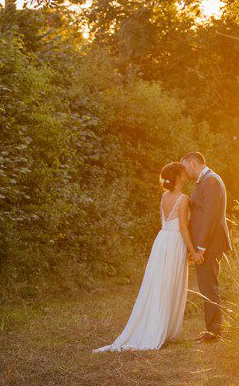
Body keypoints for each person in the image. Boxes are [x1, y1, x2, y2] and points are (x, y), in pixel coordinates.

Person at [94, 162, 195, 352]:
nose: (185, 174)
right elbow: (183, 227)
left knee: (158, 283)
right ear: (178, 177)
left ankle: (159, 325)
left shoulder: (164, 196)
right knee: (169, 283)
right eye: (183, 172)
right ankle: (160, 329)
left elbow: (167, 222)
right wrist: (192, 251)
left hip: (162, 240)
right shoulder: (183, 199)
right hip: (174, 243)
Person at [181, 151, 231, 342]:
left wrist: (200, 247)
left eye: (185, 166)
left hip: (210, 244)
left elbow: (209, 217)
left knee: (209, 286)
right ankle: (212, 330)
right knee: (206, 286)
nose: (184, 171)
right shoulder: (206, 181)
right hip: (207, 244)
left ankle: (214, 333)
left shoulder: (211, 181)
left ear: (193, 163)